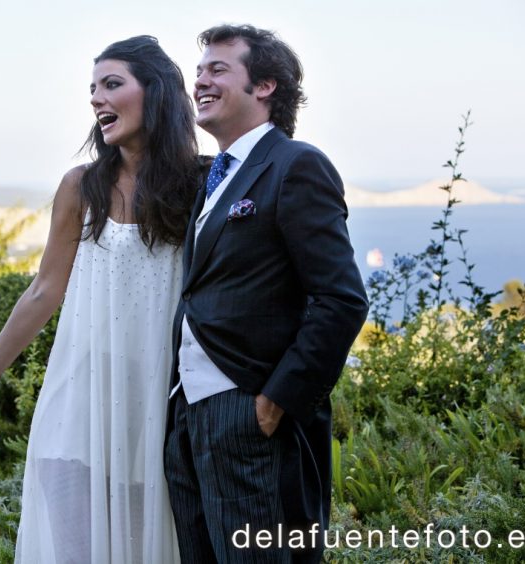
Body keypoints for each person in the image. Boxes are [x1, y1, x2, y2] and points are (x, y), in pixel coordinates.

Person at [0, 35, 200, 563]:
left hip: (157, 417)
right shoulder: (81, 186)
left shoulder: (201, 183)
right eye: (92, 89)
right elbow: (44, 289)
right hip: (77, 409)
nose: (97, 99)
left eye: (112, 84)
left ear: (158, 93)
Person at [163, 24, 369, 564]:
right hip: (188, 415)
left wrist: (274, 403)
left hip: (249, 413)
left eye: (218, 69)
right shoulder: (215, 178)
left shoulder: (295, 165)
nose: (199, 81)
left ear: (265, 87)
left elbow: (341, 299)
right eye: (199, 69)